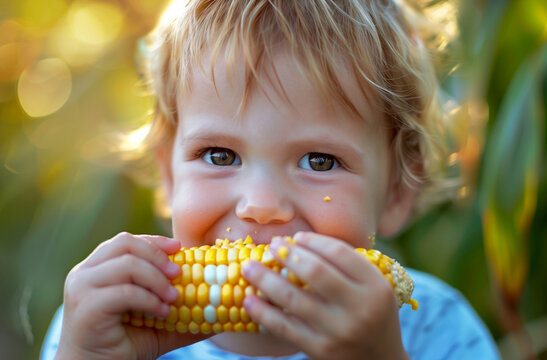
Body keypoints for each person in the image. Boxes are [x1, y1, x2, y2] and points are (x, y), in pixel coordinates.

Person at [41, 0, 500, 359]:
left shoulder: (440, 332)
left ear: (397, 193)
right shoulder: (104, 328)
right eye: (219, 155)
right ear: (168, 175)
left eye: (319, 161)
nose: (259, 205)